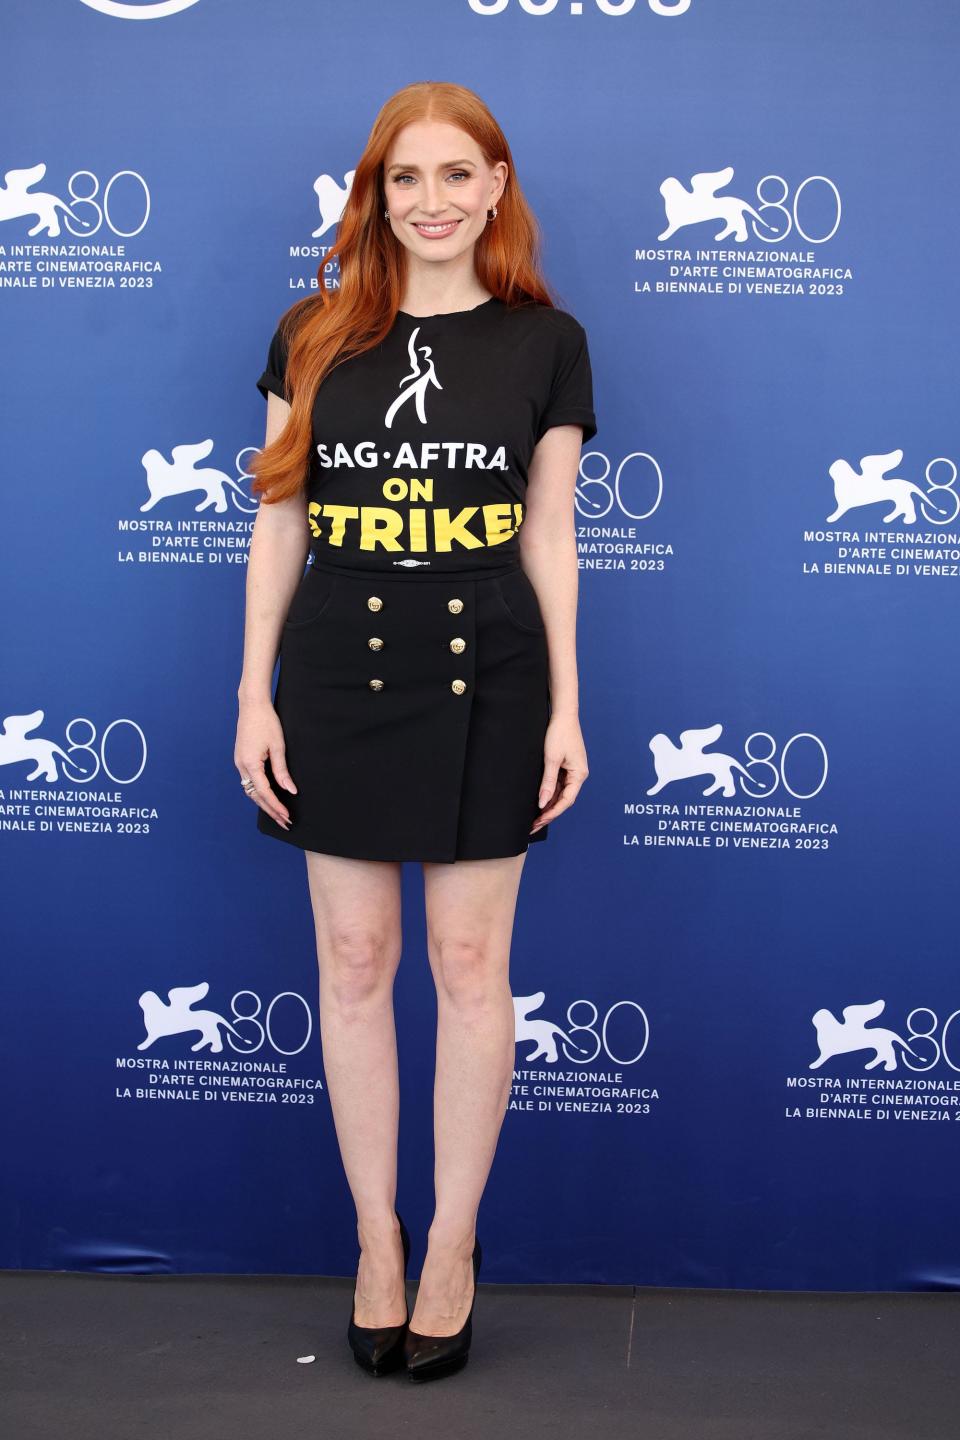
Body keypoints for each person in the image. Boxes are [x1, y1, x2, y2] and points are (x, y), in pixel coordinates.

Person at [235, 80, 597, 1383]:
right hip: (338, 669)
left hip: (490, 669)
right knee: (350, 955)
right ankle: (373, 1241)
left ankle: (451, 1243)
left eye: (458, 175)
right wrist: (250, 693)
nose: (432, 201)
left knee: (464, 964)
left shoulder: (545, 344)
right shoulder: (315, 333)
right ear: (373, 197)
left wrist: (566, 703)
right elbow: (279, 522)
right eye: (406, 178)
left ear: (497, 189)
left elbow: (551, 536)